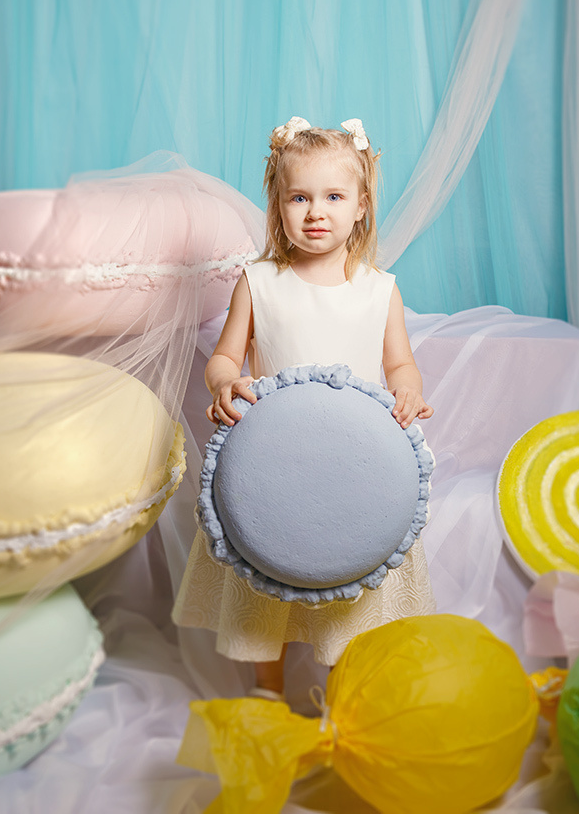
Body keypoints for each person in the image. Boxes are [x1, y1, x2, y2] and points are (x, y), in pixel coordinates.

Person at [172, 116, 436, 699]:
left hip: (356, 465)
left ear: (361, 206)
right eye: (299, 197)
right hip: (274, 464)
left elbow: (399, 365)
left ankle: (344, 693)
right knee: (267, 573)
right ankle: (267, 689)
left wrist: (409, 390)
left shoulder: (379, 289)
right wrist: (225, 383)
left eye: (333, 197)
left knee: (349, 571)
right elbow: (223, 357)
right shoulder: (259, 281)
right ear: (278, 205)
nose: (316, 211)